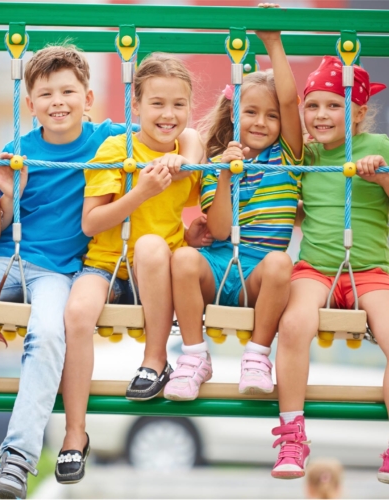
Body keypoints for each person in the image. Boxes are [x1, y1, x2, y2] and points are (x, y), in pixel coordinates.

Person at [0, 44, 147, 499]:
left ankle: (18, 456)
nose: (58, 101)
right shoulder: (17, 151)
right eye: (46, 94)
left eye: (67, 92)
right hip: (5, 258)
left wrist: (192, 147)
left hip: (59, 271)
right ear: (30, 104)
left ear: (88, 97)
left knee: (47, 334)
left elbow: (166, 133)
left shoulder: (109, 141)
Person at [57, 53, 207, 484]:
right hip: (105, 263)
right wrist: (140, 191)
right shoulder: (115, 149)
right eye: (157, 103)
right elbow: (92, 222)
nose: (168, 114)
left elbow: (194, 148)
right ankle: (74, 433)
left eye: (179, 105)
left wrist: (190, 154)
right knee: (77, 315)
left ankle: (154, 360)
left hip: (153, 273)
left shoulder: (188, 153)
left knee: (153, 246)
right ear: (136, 106)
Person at [163, 12, 303, 402]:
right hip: (220, 265)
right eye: (251, 112)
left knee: (281, 262)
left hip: (260, 275)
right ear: (233, 113)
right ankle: (194, 358)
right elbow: (220, 231)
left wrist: (273, 42)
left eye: (271, 116)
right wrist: (224, 173)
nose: (261, 122)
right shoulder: (213, 162)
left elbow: (291, 101)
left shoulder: (288, 156)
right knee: (183, 259)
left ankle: (257, 356)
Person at [272, 56, 389, 482]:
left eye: (334, 105)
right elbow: (287, 102)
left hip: (371, 271)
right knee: (294, 325)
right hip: (318, 268)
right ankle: (292, 436)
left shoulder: (382, 147)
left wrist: (381, 179)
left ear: (358, 113)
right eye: (313, 105)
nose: (321, 115)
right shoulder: (308, 155)